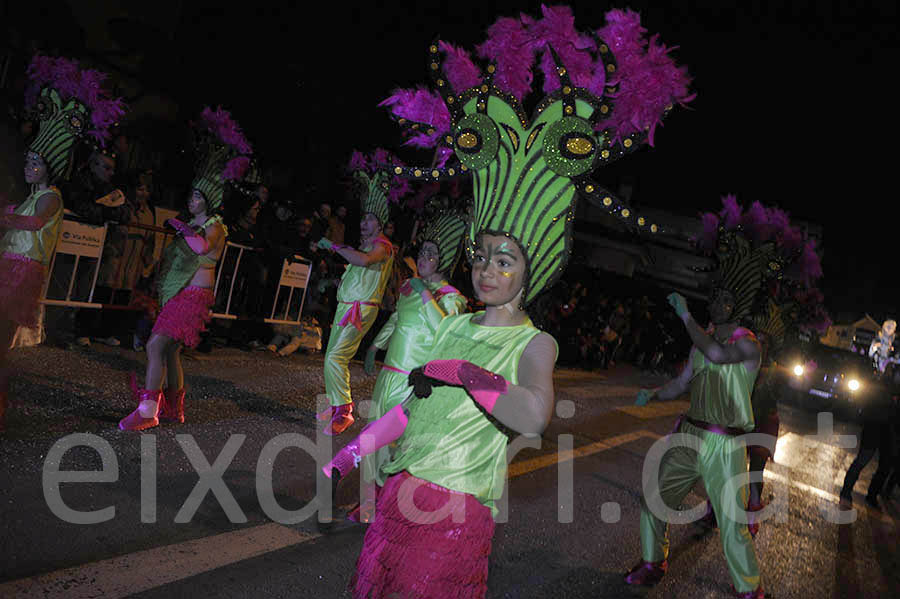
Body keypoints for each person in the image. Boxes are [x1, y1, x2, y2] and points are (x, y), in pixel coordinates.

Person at [346, 7, 692, 597]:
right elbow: (419, 407)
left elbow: (533, 413)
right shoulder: (455, 320)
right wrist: (365, 442)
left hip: (453, 511)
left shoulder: (535, 342)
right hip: (400, 494)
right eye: (482, 256)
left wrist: (466, 371)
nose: (486, 269)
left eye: (504, 260)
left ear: (532, 272)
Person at [1, 54, 125, 432]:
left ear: (50, 167)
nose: (28, 166)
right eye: (28, 160)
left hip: (23, 273)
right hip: (8, 266)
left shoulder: (51, 196)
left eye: (36, 162)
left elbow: (35, 222)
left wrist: (6, 217)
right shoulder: (30, 193)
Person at [324, 208, 468, 523]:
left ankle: (391, 502)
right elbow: (398, 320)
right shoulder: (412, 288)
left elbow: (445, 332)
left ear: (444, 261)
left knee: (396, 445)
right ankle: (369, 502)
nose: (426, 257)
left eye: (433, 253)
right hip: (388, 376)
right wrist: (376, 346)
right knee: (374, 440)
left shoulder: (451, 297)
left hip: (413, 383)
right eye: (424, 251)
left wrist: (424, 294)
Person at [118, 106, 251, 431]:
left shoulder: (215, 226)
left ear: (209, 198)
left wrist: (182, 227)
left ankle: (148, 411)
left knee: (155, 346)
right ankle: (174, 409)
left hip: (194, 295)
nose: (191, 200)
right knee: (171, 351)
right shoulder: (197, 222)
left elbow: (201, 247)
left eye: (196, 196)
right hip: (183, 291)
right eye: (190, 196)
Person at [315, 151, 406, 435]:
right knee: (332, 355)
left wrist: (332, 246)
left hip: (360, 309)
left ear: (380, 224)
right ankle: (335, 405)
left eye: (370, 219)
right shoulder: (365, 244)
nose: (364, 223)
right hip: (348, 305)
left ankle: (345, 410)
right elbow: (356, 268)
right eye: (363, 218)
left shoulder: (383, 245)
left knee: (335, 357)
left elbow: (365, 261)